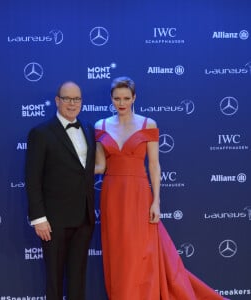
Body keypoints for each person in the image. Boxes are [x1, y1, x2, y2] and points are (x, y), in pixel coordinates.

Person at [95, 76, 227, 300]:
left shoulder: (149, 124)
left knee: (140, 253)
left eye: (126, 98)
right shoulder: (101, 126)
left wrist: (156, 201)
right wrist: (68, 167)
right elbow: (100, 166)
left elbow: (154, 165)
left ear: (134, 98)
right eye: (117, 98)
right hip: (112, 196)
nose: (122, 103)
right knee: (117, 253)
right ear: (111, 99)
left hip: (139, 194)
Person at [25, 81, 96, 300]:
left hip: (83, 218)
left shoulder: (88, 129)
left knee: (78, 279)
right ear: (57, 101)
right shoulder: (41, 133)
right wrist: (38, 218)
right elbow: (32, 177)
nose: (72, 103)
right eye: (67, 99)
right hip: (53, 221)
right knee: (54, 281)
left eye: (77, 99)